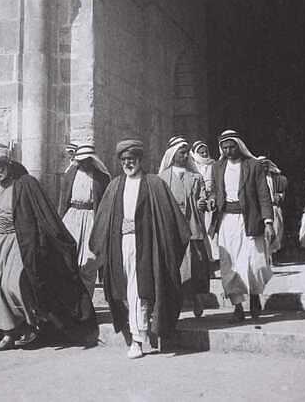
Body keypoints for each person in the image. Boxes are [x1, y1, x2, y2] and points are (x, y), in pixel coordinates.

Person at [0, 142, 97, 351]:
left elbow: (44, 215)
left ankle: (30, 325)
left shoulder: (26, 184)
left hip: (20, 241)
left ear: (8, 164)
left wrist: (52, 241)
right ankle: (9, 332)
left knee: (13, 283)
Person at [90, 139, 190, 359]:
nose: (128, 163)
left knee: (139, 290)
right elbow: (103, 220)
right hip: (121, 245)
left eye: (132, 159)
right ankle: (142, 331)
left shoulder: (154, 184)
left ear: (139, 160)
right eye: (124, 160)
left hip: (147, 246)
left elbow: (171, 219)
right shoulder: (115, 185)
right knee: (127, 290)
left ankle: (138, 339)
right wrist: (99, 247)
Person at [200, 130, 274, 323]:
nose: (228, 150)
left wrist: (268, 222)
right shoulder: (217, 167)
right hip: (227, 222)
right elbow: (214, 192)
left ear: (239, 146)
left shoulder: (253, 165)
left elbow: (263, 195)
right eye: (224, 147)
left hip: (250, 220)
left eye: (232, 146)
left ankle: (255, 297)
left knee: (255, 264)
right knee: (229, 265)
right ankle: (238, 307)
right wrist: (212, 200)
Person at [158, 136, 210, 317]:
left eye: (187, 152)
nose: (185, 155)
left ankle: (197, 298)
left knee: (196, 263)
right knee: (174, 264)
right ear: (172, 154)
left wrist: (204, 203)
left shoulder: (195, 177)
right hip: (172, 226)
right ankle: (175, 302)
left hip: (192, 225)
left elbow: (203, 197)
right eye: (181, 152)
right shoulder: (163, 178)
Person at [58, 143, 111, 297]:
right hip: (72, 218)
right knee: (69, 261)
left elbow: (104, 203)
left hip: (91, 220)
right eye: (80, 161)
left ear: (92, 160)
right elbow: (63, 201)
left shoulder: (101, 177)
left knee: (89, 262)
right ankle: (72, 302)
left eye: (87, 160)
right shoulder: (70, 174)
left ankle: (87, 303)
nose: (83, 163)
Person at [192, 140, 220, 270]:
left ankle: (216, 260)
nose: (204, 154)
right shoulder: (192, 165)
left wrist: (213, 197)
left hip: (212, 200)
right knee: (202, 231)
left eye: (205, 152)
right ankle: (208, 263)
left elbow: (216, 182)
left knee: (213, 230)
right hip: (200, 202)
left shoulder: (213, 164)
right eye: (201, 152)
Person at [257, 156, 288, 260]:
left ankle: (272, 255)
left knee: (277, 230)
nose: (264, 167)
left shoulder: (276, 178)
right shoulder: (255, 179)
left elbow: (282, 192)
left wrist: (279, 196)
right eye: (261, 165)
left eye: (265, 165)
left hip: (274, 208)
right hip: (261, 210)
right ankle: (267, 257)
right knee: (265, 234)